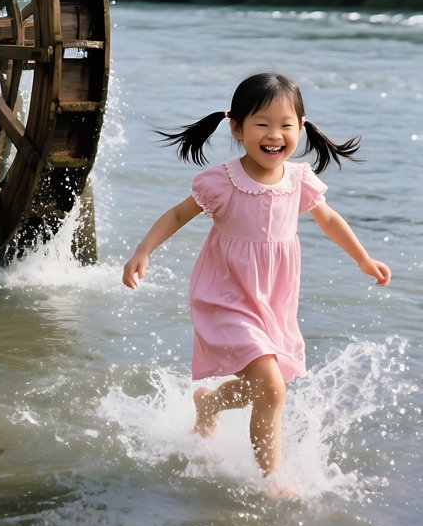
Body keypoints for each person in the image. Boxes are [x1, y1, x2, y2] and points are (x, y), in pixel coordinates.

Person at [122, 72, 391, 486]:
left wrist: (363, 258)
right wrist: (143, 251)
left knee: (265, 387)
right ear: (237, 128)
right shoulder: (224, 182)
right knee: (273, 388)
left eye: (286, 125)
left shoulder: (299, 179)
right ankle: (272, 480)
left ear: (301, 128)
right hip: (226, 295)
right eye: (262, 124)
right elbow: (178, 214)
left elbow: (329, 219)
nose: (274, 135)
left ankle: (210, 404)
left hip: (273, 300)